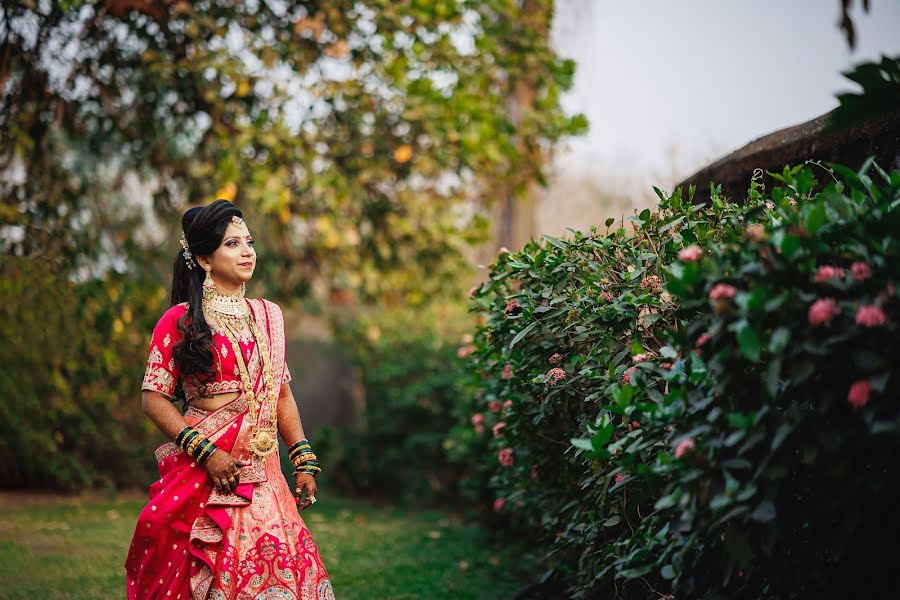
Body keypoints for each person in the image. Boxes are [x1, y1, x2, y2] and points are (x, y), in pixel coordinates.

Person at [125, 200, 335, 600]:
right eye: (232, 244)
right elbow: (154, 399)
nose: (247, 251)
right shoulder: (181, 320)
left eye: (249, 242)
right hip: (208, 471)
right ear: (204, 258)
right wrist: (206, 453)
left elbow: (280, 392)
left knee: (283, 573)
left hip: (265, 471)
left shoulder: (267, 316)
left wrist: (302, 457)